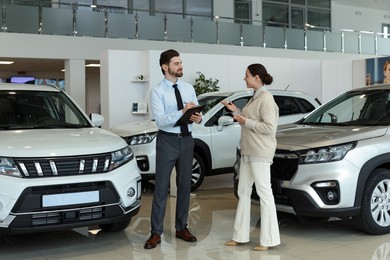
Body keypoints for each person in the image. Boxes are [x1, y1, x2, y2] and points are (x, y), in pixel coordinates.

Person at [144, 49, 202, 250]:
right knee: (161, 188)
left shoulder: (188, 88)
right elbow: (160, 121)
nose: (181, 66)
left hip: (187, 140)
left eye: (181, 63)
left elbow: (197, 112)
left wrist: (197, 116)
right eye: (176, 63)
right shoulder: (157, 91)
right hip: (167, 141)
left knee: (185, 187)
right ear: (165, 67)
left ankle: (181, 227)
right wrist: (182, 111)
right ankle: (155, 233)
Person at [221, 63, 280, 251]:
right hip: (248, 151)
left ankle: (269, 240)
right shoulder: (255, 97)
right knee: (243, 192)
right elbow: (248, 121)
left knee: (264, 194)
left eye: (246, 75)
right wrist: (236, 112)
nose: (244, 78)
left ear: (257, 78)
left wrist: (245, 120)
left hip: (260, 152)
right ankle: (240, 236)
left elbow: (270, 128)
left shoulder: (267, 99)